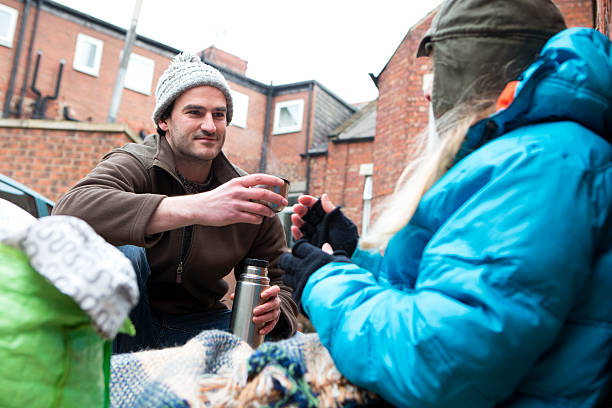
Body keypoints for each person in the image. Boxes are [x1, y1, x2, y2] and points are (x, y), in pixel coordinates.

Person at [279, 0, 612, 407]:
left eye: (438, 69)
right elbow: (455, 290)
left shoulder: (539, 164)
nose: (426, 91)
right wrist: (354, 258)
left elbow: (438, 362)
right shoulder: (540, 152)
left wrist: (324, 280)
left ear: (474, 71)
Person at [53, 53, 298, 352]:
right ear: (163, 120)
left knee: (282, 353)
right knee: (126, 252)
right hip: (127, 321)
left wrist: (277, 311)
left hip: (201, 325)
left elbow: (281, 278)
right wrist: (198, 207)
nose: (210, 125)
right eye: (195, 113)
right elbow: (70, 209)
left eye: (219, 115)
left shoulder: (245, 192)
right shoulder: (136, 163)